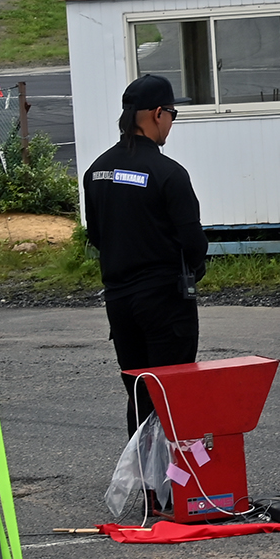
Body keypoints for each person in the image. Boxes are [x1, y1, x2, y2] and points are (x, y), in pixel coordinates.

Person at [82, 74, 207, 435]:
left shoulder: (97, 171)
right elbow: (194, 243)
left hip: (120, 302)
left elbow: (97, 235)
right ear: (156, 113)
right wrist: (191, 270)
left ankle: (147, 486)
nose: (171, 122)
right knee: (170, 396)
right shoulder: (169, 174)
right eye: (172, 113)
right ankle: (173, 489)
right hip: (165, 302)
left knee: (139, 396)